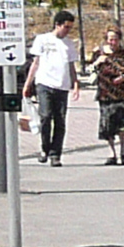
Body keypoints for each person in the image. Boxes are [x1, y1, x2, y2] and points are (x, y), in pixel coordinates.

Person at [27, 9, 80, 165]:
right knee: (45, 116)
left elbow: (71, 66)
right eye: (66, 27)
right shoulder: (42, 40)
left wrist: (75, 84)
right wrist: (28, 84)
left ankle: (55, 153)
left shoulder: (69, 44)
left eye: (70, 28)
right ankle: (45, 148)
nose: (68, 31)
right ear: (57, 25)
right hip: (44, 83)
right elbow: (35, 63)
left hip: (62, 86)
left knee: (60, 120)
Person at [93, 28, 124, 165]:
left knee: (123, 125)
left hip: (123, 94)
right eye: (110, 39)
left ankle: (123, 152)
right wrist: (97, 62)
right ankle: (112, 153)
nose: (113, 42)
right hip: (105, 93)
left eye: (115, 39)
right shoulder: (98, 53)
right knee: (107, 125)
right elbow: (90, 70)